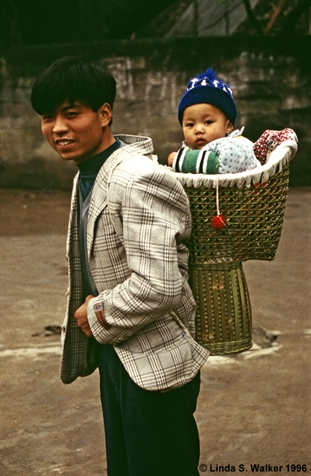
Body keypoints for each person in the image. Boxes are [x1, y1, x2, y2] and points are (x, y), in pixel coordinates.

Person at [31, 56, 209, 476]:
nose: (57, 128)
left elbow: (160, 283)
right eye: (47, 117)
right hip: (119, 352)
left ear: (105, 113)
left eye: (71, 114)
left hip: (154, 361)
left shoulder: (137, 177)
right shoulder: (89, 173)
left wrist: (97, 312)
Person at [168, 68, 261, 174]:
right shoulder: (189, 150)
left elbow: (224, 164)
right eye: (190, 124)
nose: (198, 130)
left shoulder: (236, 144)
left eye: (208, 122)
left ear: (228, 126)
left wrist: (182, 161)